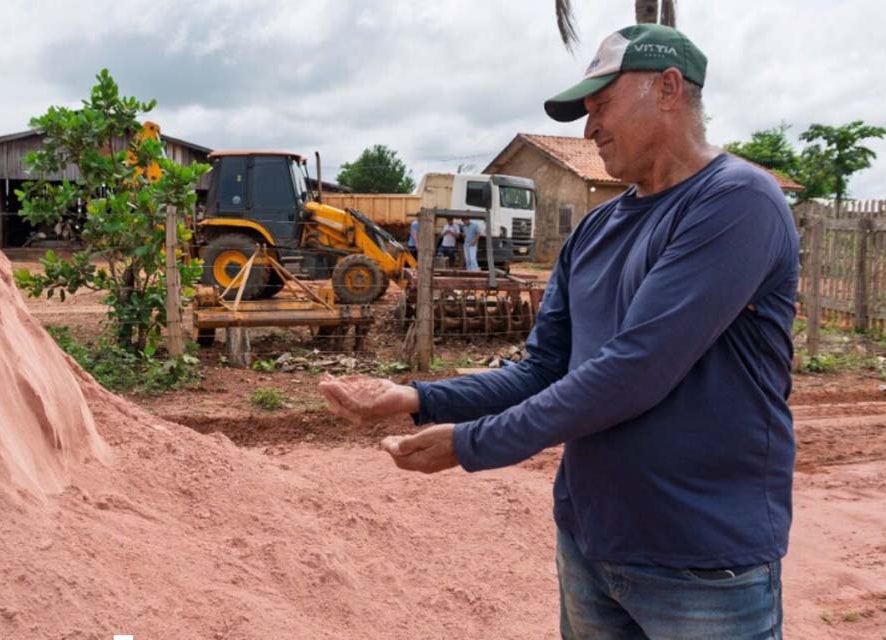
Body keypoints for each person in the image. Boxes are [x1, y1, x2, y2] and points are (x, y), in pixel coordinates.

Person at [320, 23, 797, 640]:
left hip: (703, 564)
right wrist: (416, 397)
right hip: (590, 546)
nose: (590, 128)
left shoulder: (737, 202)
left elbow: (635, 370)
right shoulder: (596, 230)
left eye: (602, 105)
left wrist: (471, 444)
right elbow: (544, 369)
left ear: (668, 89)